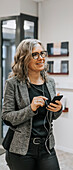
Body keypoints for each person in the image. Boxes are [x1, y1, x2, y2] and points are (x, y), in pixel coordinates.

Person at [1, 39, 63, 170]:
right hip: (21, 149)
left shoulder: (50, 82)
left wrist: (58, 109)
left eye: (42, 53)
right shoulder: (13, 83)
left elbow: (52, 116)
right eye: (35, 54)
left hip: (47, 146)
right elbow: (6, 117)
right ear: (24, 58)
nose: (41, 58)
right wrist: (31, 108)